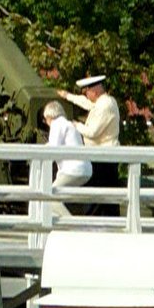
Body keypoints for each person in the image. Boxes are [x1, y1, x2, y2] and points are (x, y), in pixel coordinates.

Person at [57, 74, 121, 212]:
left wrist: (76, 125)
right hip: (101, 157)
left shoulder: (105, 105)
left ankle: (101, 225)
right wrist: (68, 96)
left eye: (87, 92)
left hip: (104, 158)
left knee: (101, 197)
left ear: (95, 91)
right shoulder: (103, 102)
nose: (86, 95)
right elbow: (86, 103)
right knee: (101, 197)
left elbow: (92, 132)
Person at [43, 100, 91, 215]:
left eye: (46, 120)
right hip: (85, 170)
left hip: (72, 170)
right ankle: (59, 227)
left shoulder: (57, 124)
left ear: (49, 116)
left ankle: (70, 225)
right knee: (58, 199)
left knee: (48, 196)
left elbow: (53, 147)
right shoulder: (69, 124)